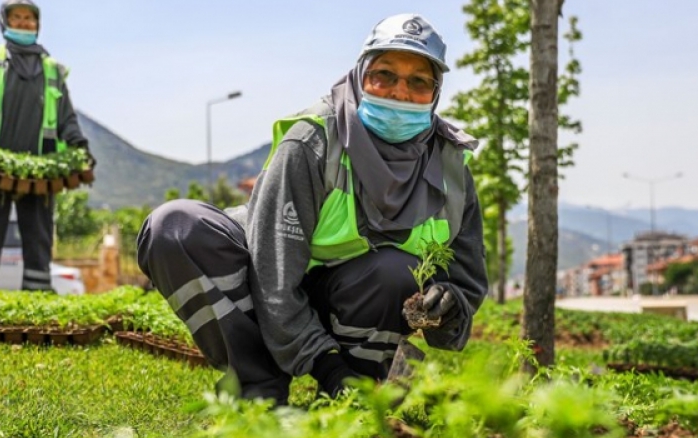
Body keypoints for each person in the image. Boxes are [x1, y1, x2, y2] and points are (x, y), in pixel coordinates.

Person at [137, 13, 487, 405]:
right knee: (173, 228)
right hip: (262, 283)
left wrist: (448, 302)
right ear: (359, 77)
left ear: (436, 93)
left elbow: (467, 278)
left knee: (394, 271)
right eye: (384, 75)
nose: (399, 92)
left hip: (349, 296)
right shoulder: (313, 143)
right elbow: (272, 272)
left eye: (419, 81)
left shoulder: (451, 170)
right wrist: (325, 364)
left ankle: (358, 392)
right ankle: (259, 390)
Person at [0, 0, 92, 292]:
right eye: (17, 17)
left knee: (39, 234)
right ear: (5, 22)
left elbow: (66, 117)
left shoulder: (52, 70)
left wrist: (80, 146)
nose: (24, 23)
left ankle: (38, 293)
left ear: (38, 25)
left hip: (41, 169)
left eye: (30, 18)